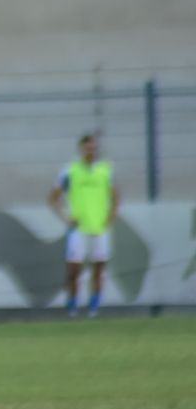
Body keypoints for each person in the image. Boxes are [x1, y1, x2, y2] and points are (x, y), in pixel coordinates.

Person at [48, 133, 119, 318]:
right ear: (81, 150)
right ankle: (72, 306)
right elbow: (53, 198)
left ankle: (94, 307)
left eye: (94, 148)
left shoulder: (105, 170)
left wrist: (110, 217)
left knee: (99, 269)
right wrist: (65, 217)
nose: (92, 152)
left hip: (99, 227)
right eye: (88, 148)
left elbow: (115, 196)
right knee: (74, 270)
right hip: (78, 228)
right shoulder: (70, 171)